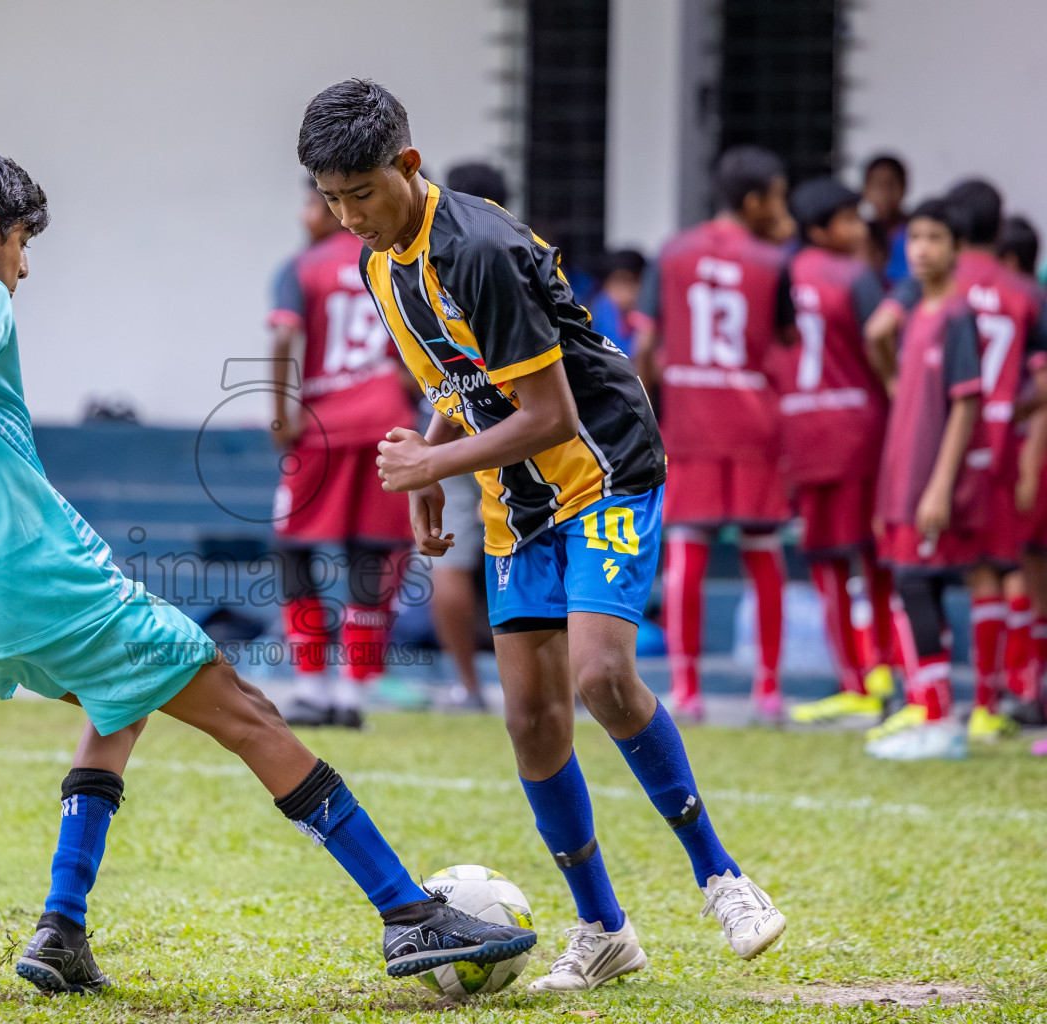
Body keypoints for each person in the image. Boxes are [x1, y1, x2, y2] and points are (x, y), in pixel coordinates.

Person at [0, 145, 533, 994]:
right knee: (246, 709)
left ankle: (61, 929)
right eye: (22, 247)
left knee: (118, 707)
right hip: (44, 581)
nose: (23, 270)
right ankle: (407, 915)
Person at [298, 78, 786, 993]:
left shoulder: (476, 247)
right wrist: (435, 457)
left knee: (601, 675)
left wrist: (429, 468)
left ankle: (721, 875)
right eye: (331, 198)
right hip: (517, 498)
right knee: (530, 720)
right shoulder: (377, 262)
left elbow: (555, 413)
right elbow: (461, 376)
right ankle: (604, 930)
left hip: (601, 465)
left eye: (361, 193)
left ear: (407, 165)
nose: (348, 215)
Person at [632, 146, 797, 724]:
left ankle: (689, 689)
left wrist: (648, 413)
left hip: (691, 422)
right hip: (754, 420)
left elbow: (646, 348)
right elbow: (785, 340)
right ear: (755, 202)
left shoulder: (672, 253)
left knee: (688, 553)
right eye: (777, 197)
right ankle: (769, 691)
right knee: (763, 550)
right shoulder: (773, 261)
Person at [269, 183, 418, 729]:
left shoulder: (301, 266)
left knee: (289, 549)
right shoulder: (389, 259)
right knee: (371, 555)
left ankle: (311, 686)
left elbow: (283, 337)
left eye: (312, 203)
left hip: (323, 428)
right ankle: (354, 693)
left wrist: (281, 413)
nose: (307, 215)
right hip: (386, 421)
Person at [862, 200, 984, 759]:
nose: (923, 249)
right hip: (900, 475)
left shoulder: (958, 315)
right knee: (912, 586)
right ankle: (930, 712)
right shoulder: (913, 315)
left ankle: (942, 720)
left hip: (929, 479)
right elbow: (877, 339)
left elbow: (965, 406)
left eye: (935, 237)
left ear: (956, 248)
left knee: (918, 583)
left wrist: (939, 484)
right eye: (914, 238)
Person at [779, 179, 898, 725]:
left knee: (826, 556)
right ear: (820, 229)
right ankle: (884, 667)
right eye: (848, 221)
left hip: (803, 427)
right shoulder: (857, 276)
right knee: (873, 553)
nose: (858, 230)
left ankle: (855, 676)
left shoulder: (781, 276)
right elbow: (883, 343)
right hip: (859, 424)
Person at [933, 180, 1047, 741]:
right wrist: (1013, 406)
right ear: (1000, 229)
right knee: (1009, 570)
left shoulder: (941, 289)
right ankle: (997, 696)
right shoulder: (1026, 291)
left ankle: (932, 698)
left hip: (943, 446)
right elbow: (1044, 380)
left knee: (937, 570)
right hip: (1006, 446)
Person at [425, 160, 515, 713]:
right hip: (511, 415)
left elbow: (443, 362)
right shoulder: (515, 247)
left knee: (451, 555)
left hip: (456, 412)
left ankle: (469, 685)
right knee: (537, 554)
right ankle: (556, 685)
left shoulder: (429, 258)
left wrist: (432, 453)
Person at [997, 216, 1047, 725]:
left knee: (1022, 572)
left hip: (1028, 458)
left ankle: (1021, 684)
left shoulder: (1023, 305)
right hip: (1028, 457)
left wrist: (1030, 467)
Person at [586, 250, 647, 359]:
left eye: (632, 282)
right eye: (619, 283)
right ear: (606, 285)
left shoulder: (649, 315)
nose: (625, 293)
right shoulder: (595, 312)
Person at [862, 154, 909, 284]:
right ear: (865, 190)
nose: (884, 193)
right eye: (877, 185)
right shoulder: (859, 233)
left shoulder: (914, 231)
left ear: (904, 188)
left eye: (890, 185)